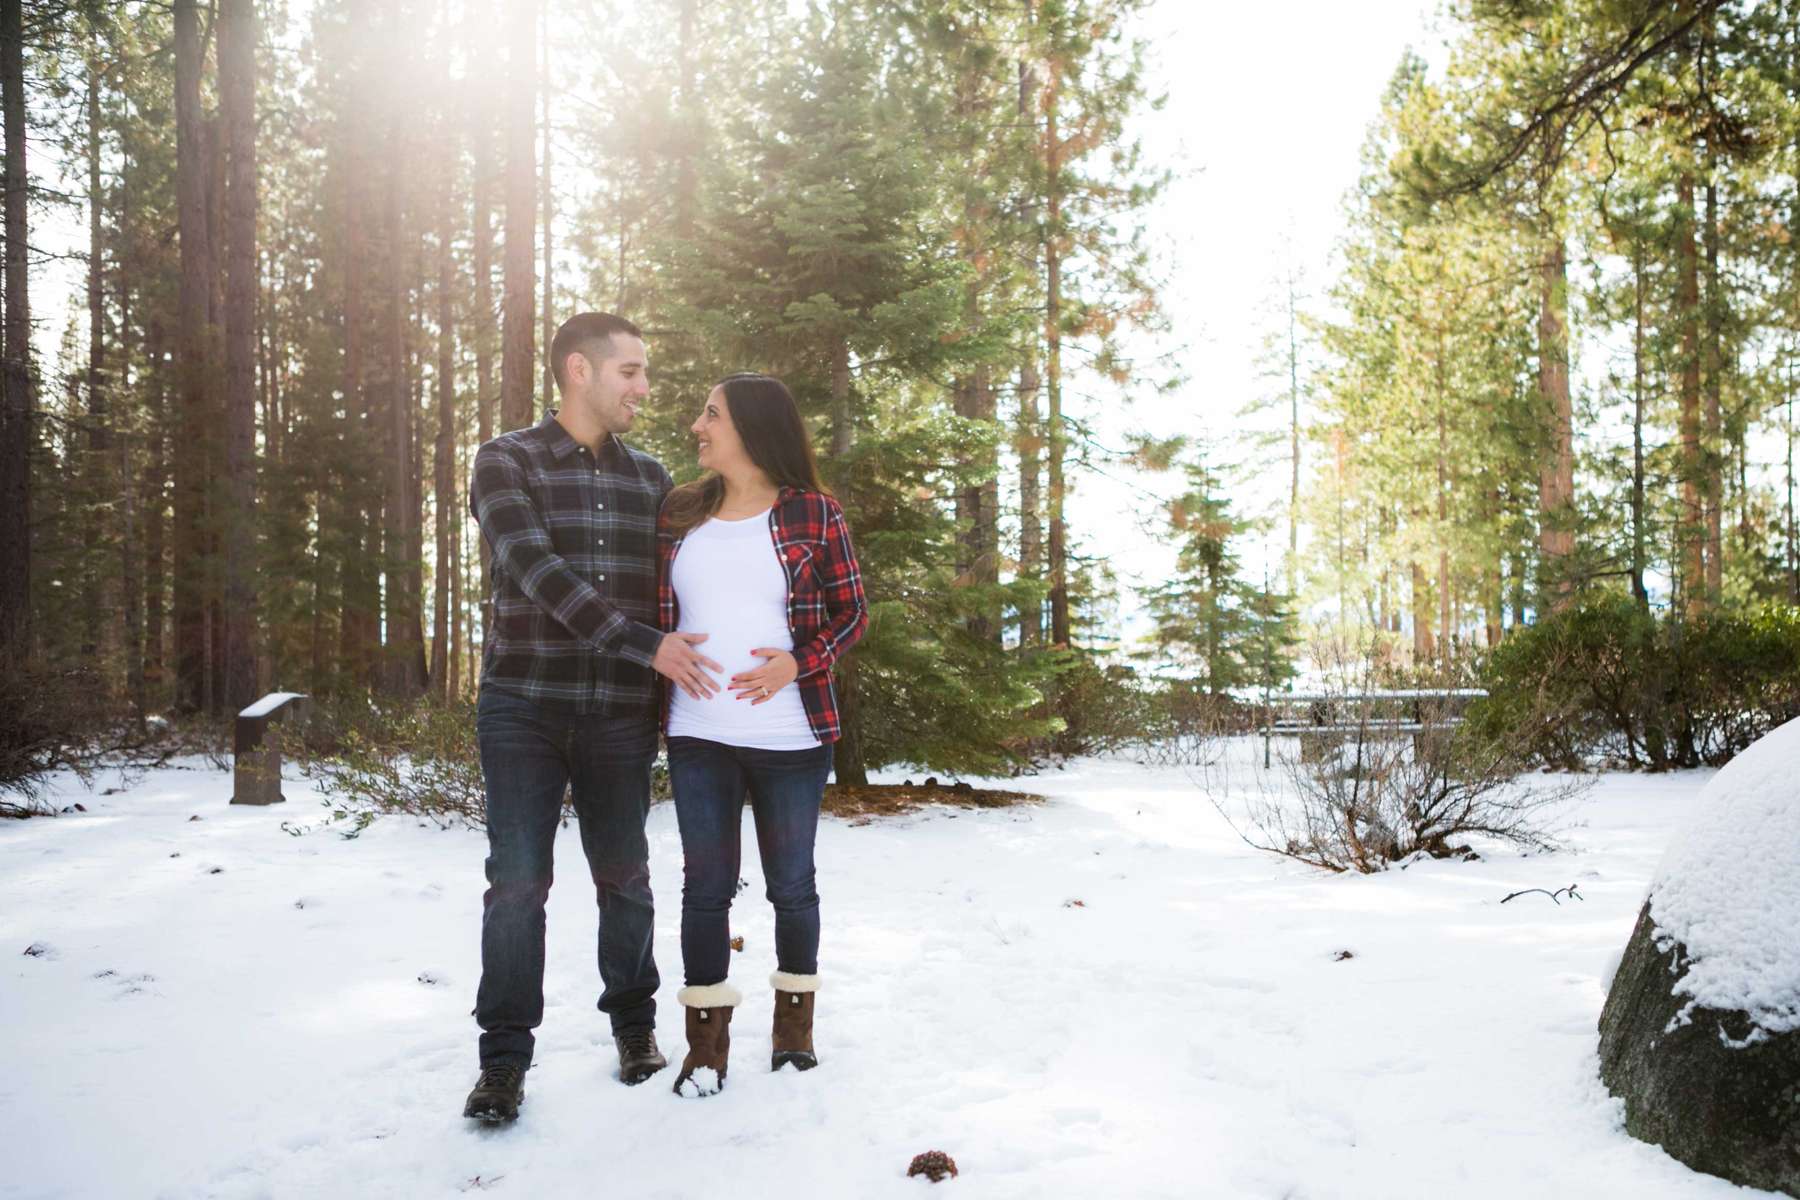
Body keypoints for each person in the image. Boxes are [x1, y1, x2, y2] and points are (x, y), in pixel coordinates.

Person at [462, 312, 725, 1123]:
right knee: (517, 884)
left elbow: (703, 565)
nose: (646, 388)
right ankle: (503, 1061)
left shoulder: (651, 479)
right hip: (523, 707)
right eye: (632, 372)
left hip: (616, 713)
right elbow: (534, 569)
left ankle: (636, 1029)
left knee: (626, 877)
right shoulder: (505, 460)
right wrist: (643, 644)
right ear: (580, 370)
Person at [656, 373, 868, 1097]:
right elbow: (656, 609)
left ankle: (793, 1032)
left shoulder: (813, 513)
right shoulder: (682, 512)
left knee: (793, 886)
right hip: (697, 731)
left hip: (791, 735)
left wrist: (796, 665)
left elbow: (851, 614)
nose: (697, 426)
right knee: (704, 887)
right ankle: (706, 1048)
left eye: (709, 413)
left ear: (748, 427)